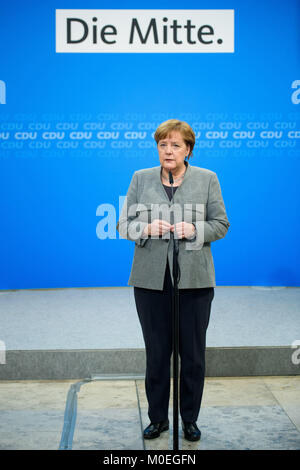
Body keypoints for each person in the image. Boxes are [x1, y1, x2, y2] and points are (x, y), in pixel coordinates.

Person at [117, 119, 230, 442]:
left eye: (175, 145)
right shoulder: (141, 179)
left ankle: (189, 419)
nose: (168, 151)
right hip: (151, 282)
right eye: (163, 145)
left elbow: (221, 224)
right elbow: (123, 225)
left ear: (188, 150)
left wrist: (196, 230)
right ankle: (157, 419)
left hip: (194, 281)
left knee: (192, 355)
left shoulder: (208, 179)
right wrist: (145, 229)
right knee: (156, 353)